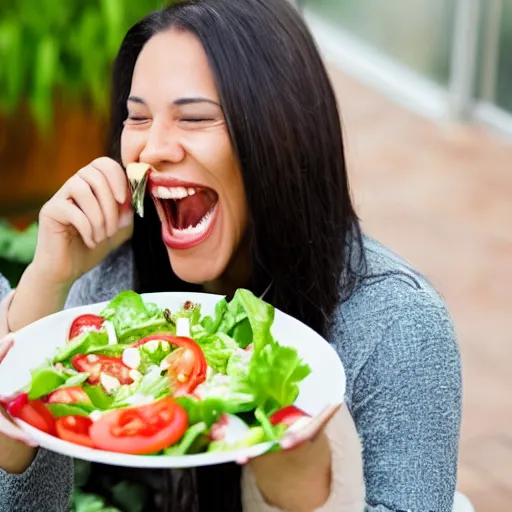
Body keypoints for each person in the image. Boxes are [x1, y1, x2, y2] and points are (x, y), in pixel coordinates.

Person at [0, 0, 462, 511]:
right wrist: (47, 280)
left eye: (194, 117)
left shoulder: (398, 326)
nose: (151, 148)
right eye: (137, 117)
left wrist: (306, 495)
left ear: (280, 135)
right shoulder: (113, 289)